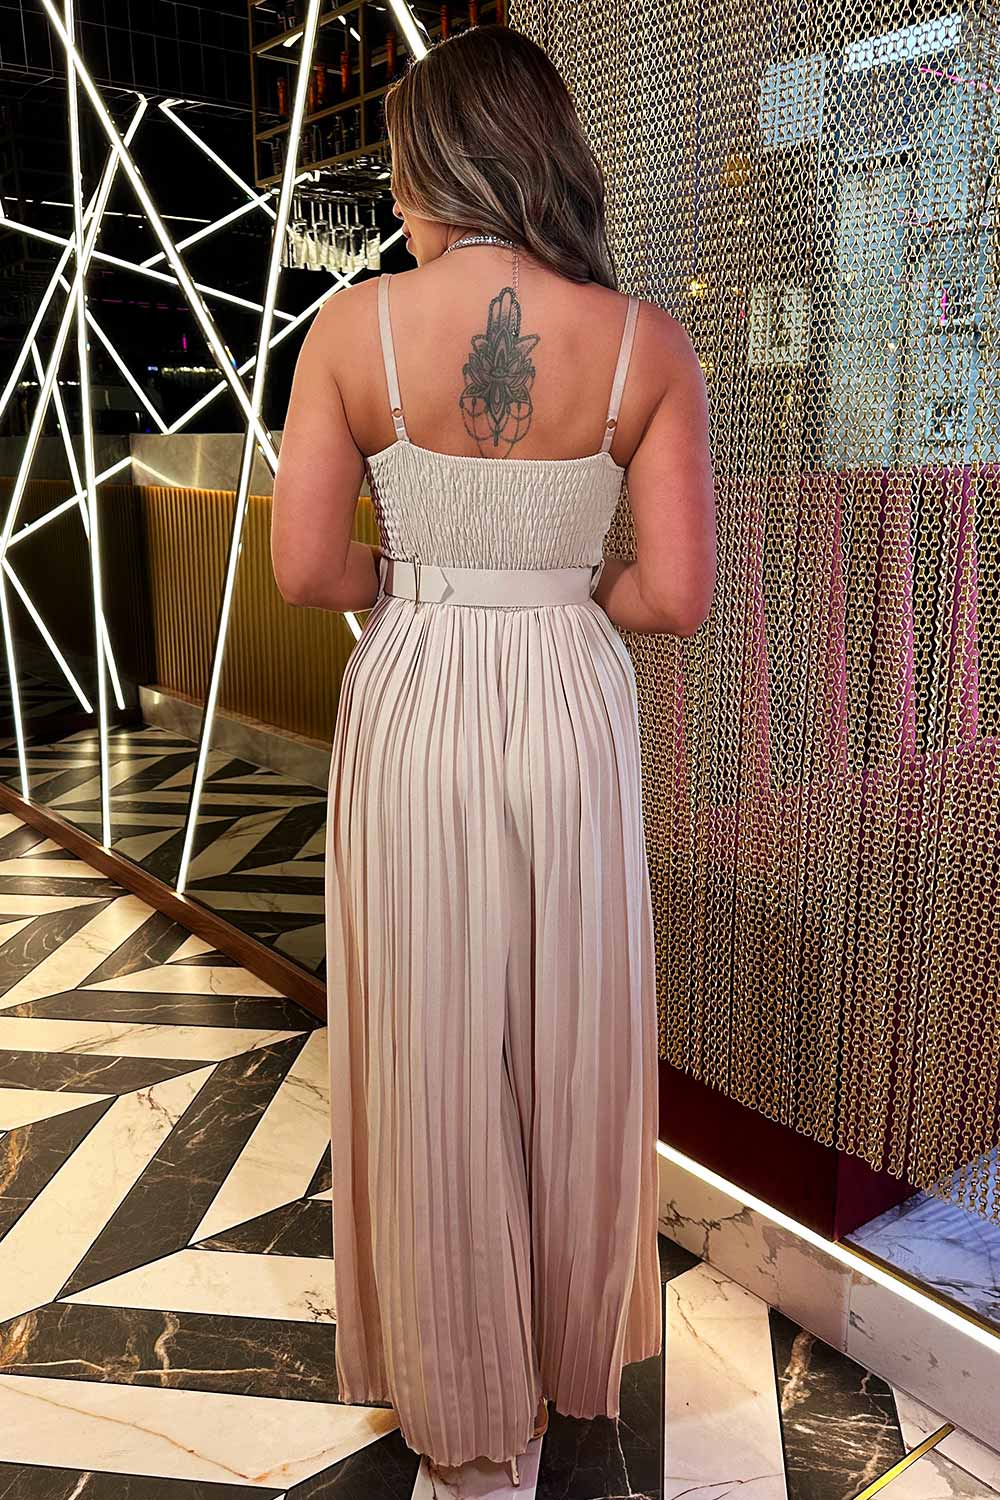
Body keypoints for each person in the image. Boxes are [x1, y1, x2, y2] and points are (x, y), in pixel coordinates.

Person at [270, 22, 716, 1490]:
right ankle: (563, 1367)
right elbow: (677, 594)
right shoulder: (645, 343)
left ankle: (468, 1422)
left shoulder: (352, 332)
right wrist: (562, 596)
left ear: (436, 164)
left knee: (431, 1043)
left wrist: (422, 587)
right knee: (571, 1035)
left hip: (416, 687)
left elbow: (305, 568)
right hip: (572, 694)